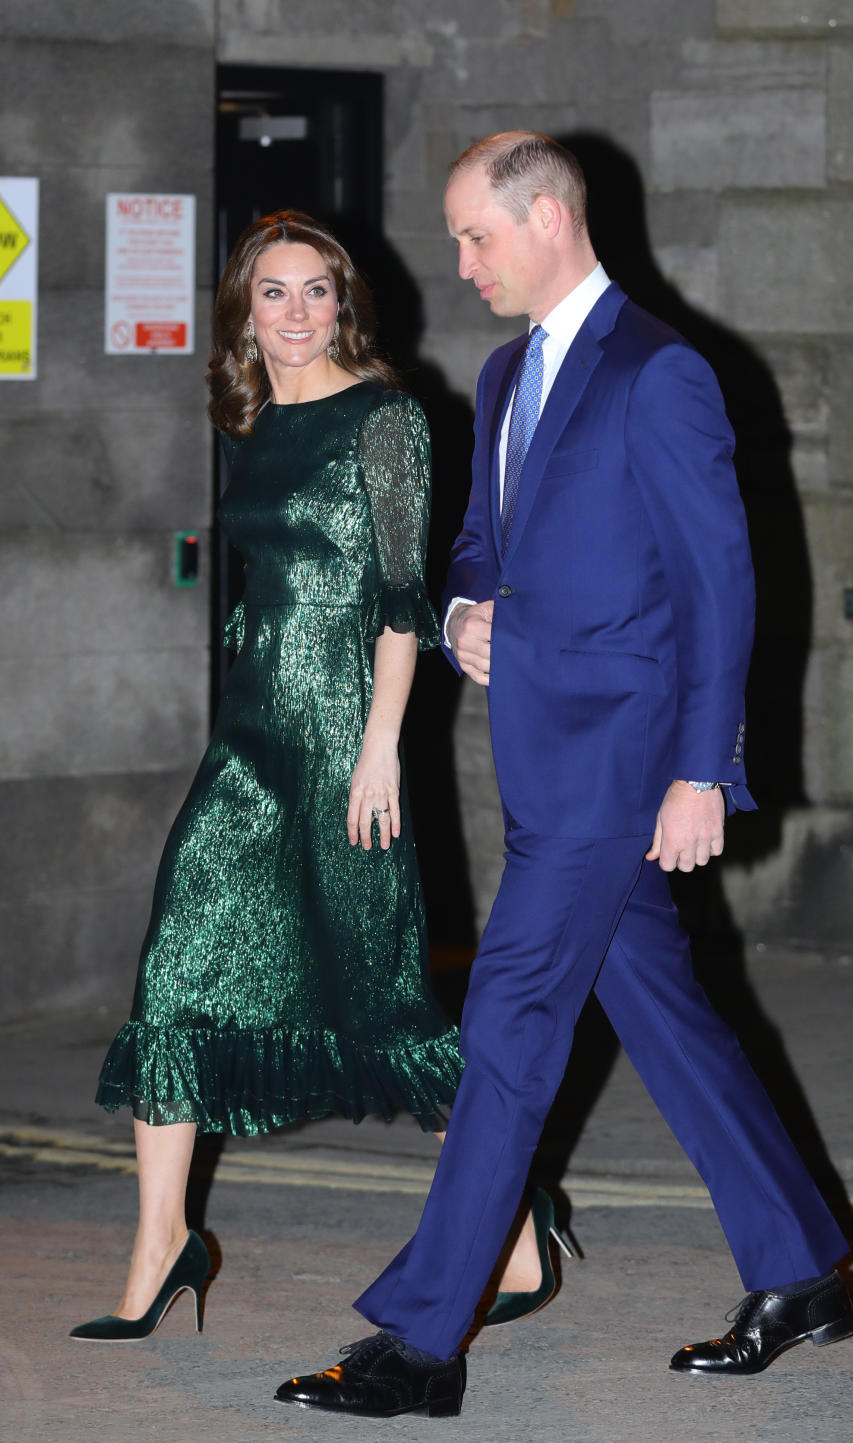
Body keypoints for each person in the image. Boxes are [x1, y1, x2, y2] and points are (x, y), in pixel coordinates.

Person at [275, 134, 853, 1420]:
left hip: (621, 768)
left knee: (510, 1022)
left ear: (546, 218)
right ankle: (804, 1268)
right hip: (543, 759)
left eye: (476, 234)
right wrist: (469, 608)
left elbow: (723, 588)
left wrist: (704, 770)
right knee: (667, 1016)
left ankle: (425, 1340)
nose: (462, 261)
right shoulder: (502, 371)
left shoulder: (663, 373)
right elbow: (485, 543)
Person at [70, 210, 470, 1342]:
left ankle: (511, 1214)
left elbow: (404, 601)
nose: (295, 316)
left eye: (315, 293)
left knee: (384, 1002)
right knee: (175, 974)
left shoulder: (386, 420)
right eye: (273, 295)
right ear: (247, 311)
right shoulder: (247, 418)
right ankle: (161, 1243)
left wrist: (381, 745)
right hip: (249, 746)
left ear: (346, 303)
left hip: (349, 744)